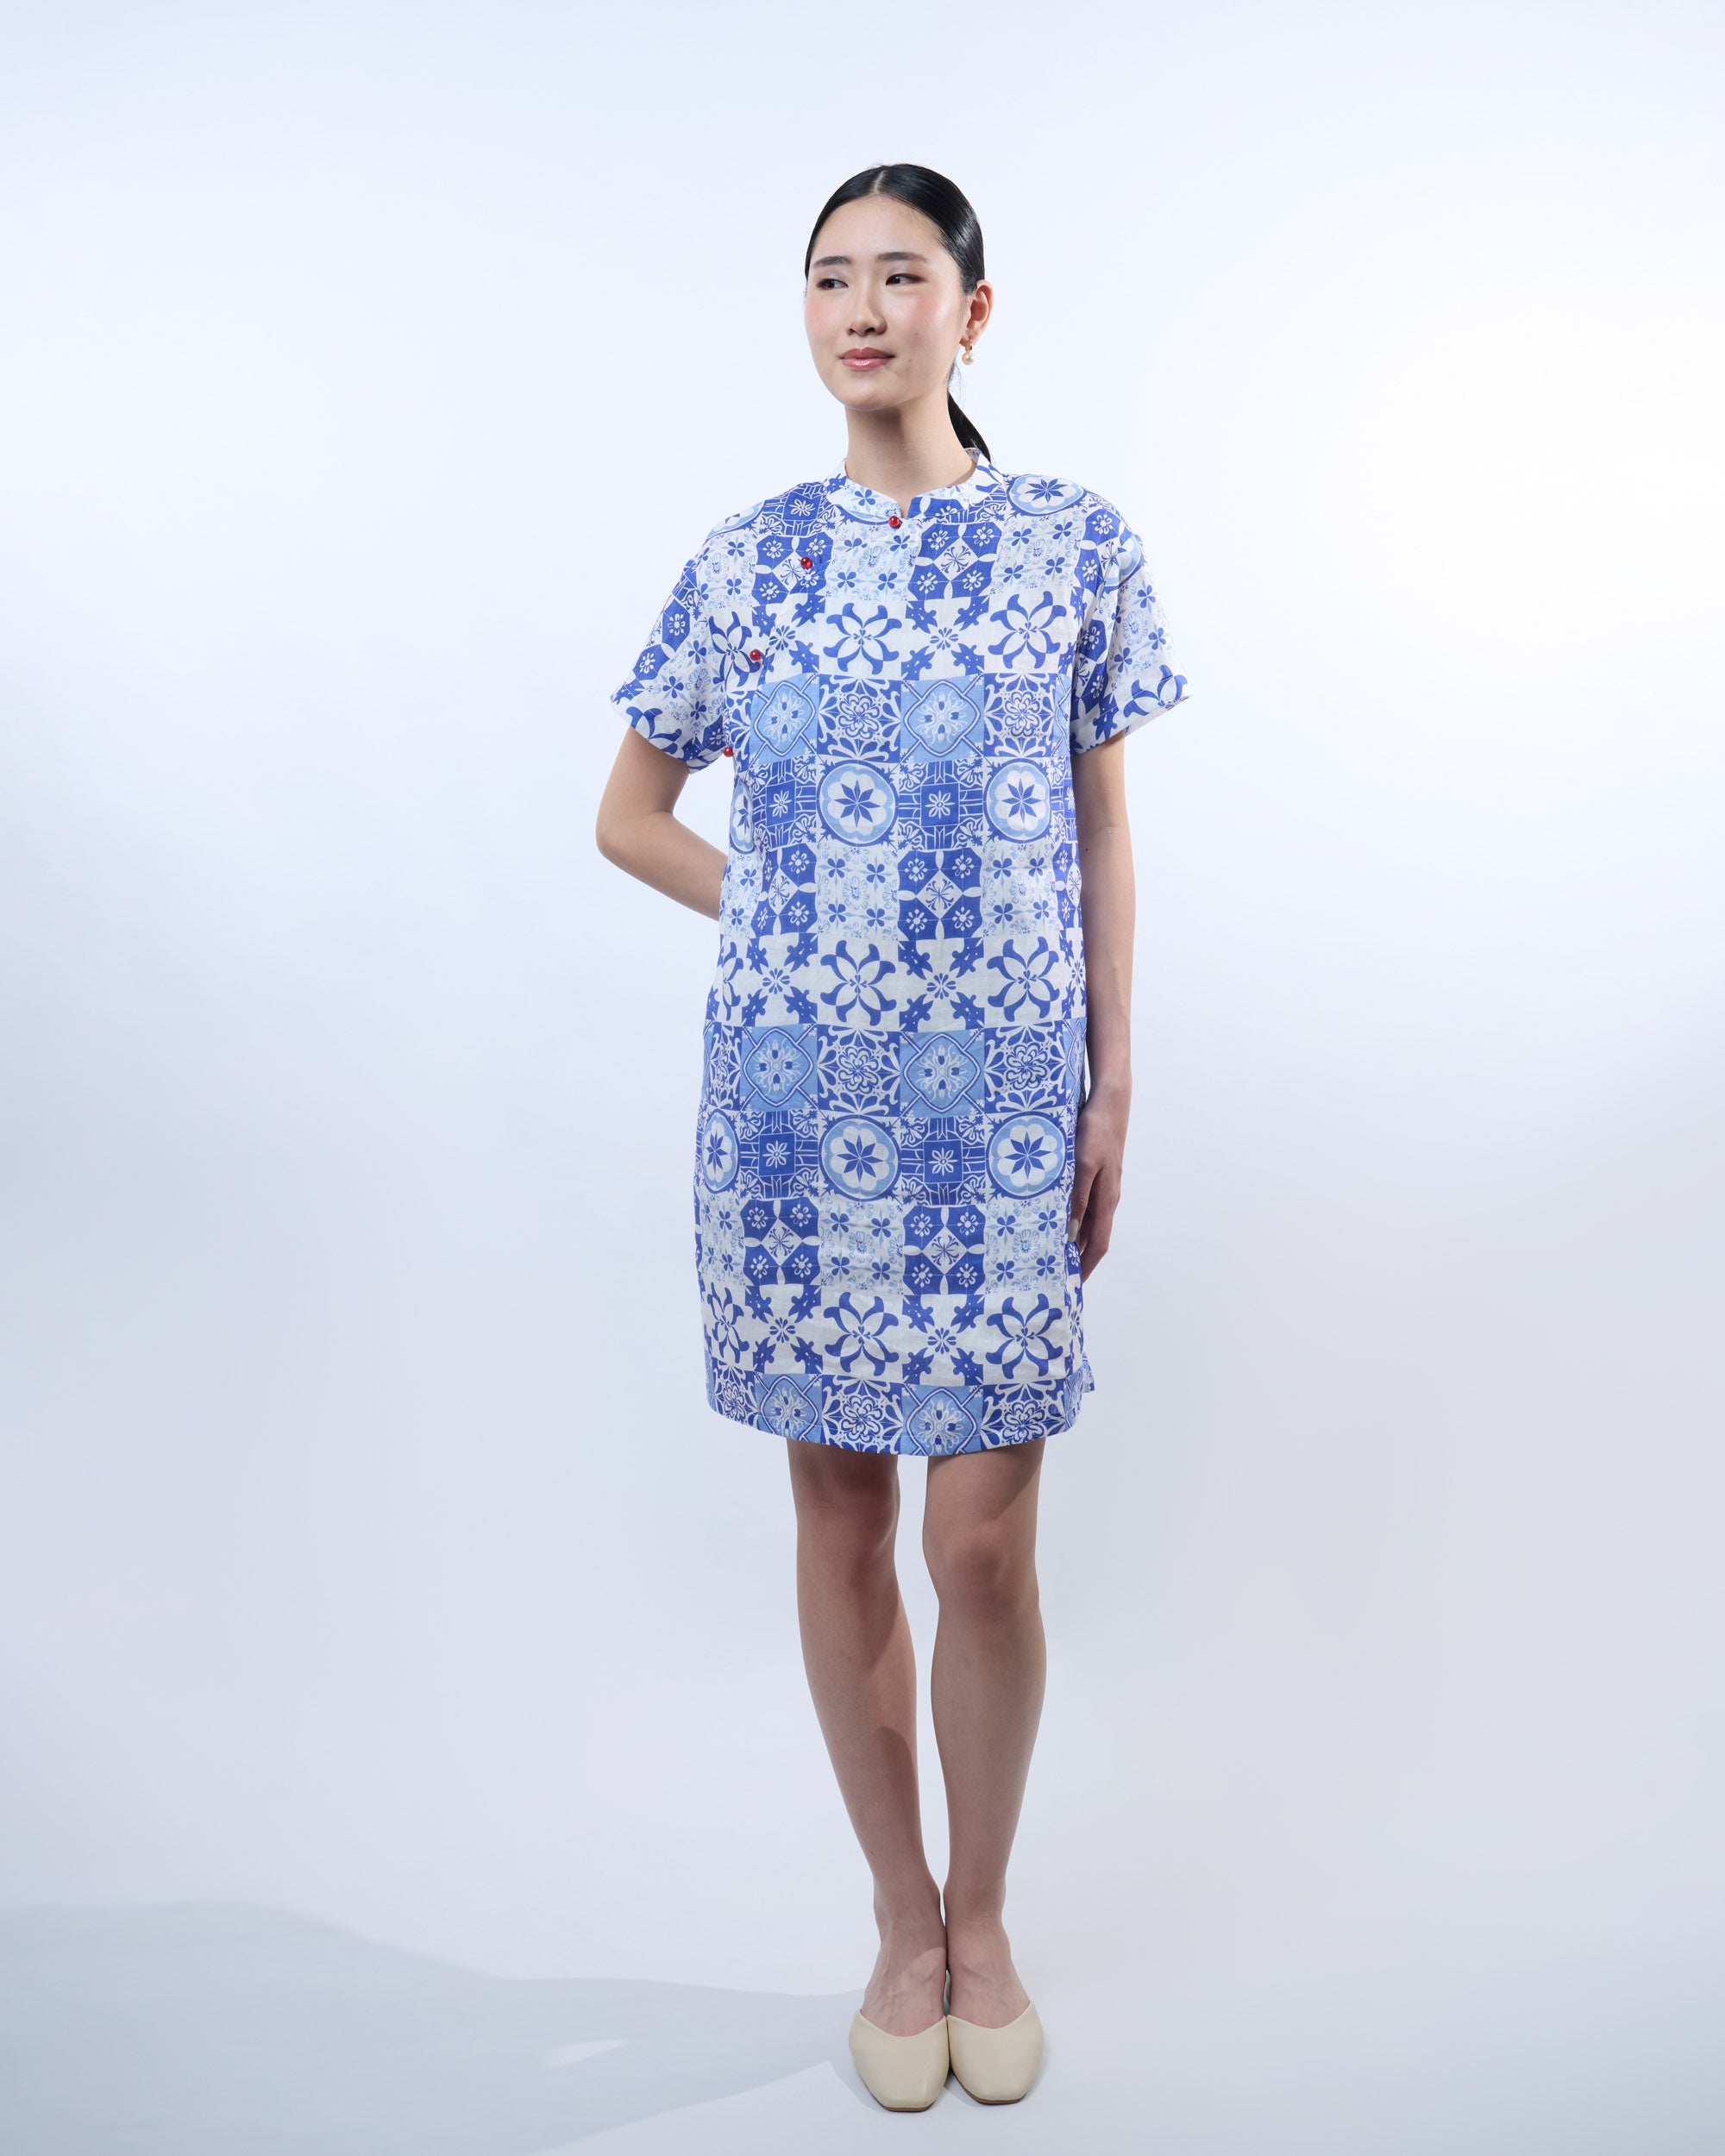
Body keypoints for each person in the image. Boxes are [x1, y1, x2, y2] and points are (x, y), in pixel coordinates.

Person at [595, 162, 1192, 2110]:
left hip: (1005, 1103)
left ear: (972, 311)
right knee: (842, 1520)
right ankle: (898, 1919)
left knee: (983, 1544)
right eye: (830, 278)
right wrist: (774, 911)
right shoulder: (745, 562)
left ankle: (987, 1917)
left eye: (901, 275)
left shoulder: (1073, 545)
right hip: (794, 1113)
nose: (863, 308)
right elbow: (631, 813)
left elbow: (1101, 825)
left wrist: (1112, 1069)